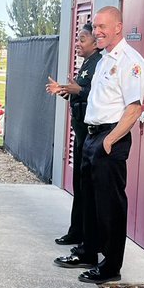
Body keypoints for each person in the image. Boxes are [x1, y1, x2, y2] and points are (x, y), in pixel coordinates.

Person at [54, 6, 144, 284]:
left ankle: (111, 266)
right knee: (90, 201)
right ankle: (88, 252)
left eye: (102, 26)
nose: (97, 32)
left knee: (110, 205)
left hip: (110, 138)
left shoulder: (130, 62)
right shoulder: (104, 59)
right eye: (95, 27)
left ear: (118, 27)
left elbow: (134, 108)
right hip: (92, 136)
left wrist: (108, 140)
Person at [46, 22, 101, 248]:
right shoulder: (87, 63)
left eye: (82, 40)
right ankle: (76, 231)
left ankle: (86, 238)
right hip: (80, 135)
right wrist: (64, 91)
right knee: (79, 187)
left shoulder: (99, 63)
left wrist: (79, 90)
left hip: (90, 135)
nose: (77, 43)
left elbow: (97, 96)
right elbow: (80, 97)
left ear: (95, 43)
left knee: (87, 189)